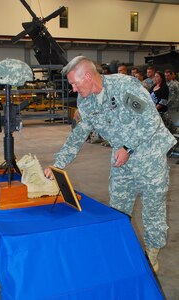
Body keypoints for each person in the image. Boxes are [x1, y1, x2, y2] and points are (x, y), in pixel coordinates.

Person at [44, 56, 177, 273]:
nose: (74, 89)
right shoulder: (85, 101)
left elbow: (151, 120)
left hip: (149, 155)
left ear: (88, 76)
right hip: (121, 159)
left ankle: (152, 257)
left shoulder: (124, 86)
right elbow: (78, 134)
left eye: (76, 83)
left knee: (153, 210)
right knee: (118, 208)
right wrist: (59, 164)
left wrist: (128, 147)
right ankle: (120, 249)